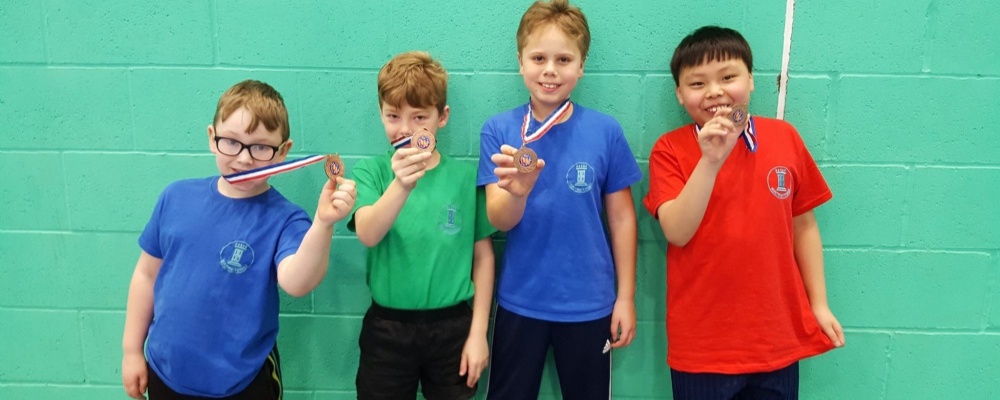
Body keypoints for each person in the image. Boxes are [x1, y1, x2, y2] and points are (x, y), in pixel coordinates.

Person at [643, 26, 846, 400]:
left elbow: (804, 226)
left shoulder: (784, 138)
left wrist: (818, 304)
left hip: (776, 340)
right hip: (703, 348)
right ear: (680, 94)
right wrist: (710, 161)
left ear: (750, 80)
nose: (714, 92)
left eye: (728, 77)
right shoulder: (669, 150)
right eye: (697, 83)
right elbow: (677, 231)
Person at [121, 80, 357, 399]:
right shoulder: (175, 197)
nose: (244, 159)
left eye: (260, 147)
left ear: (283, 152)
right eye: (231, 142)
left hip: (244, 383)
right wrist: (131, 350)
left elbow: (297, 283)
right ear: (212, 138)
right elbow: (146, 275)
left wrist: (323, 223)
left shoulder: (286, 219)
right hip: (166, 374)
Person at [476, 0, 642, 398]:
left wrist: (626, 297)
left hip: (590, 303)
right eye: (538, 58)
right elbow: (499, 220)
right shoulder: (499, 130)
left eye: (564, 59)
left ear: (581, 66)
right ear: (520, 62)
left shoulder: (605, 131)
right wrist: (518, 193)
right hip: (520, 300)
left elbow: (622, 220)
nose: (550, 70)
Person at [348, 51, 496, 400]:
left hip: (453, 328)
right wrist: (401, 185)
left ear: (442, 117)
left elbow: (483, 258)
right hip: (387, 327)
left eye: (419, 117)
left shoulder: (465, 178)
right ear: (381, 114)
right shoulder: (372, 171)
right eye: (393, 116)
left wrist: (478, 333)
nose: (405, 129)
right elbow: (368, 233)